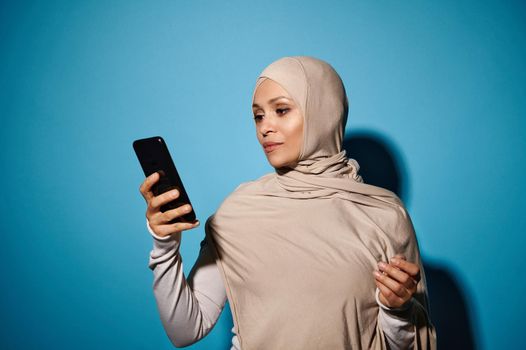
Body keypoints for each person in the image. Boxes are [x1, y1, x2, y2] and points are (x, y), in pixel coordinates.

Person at [140, 56, 436, 349]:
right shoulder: (239, 213)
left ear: (323, 111)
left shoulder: (384, 215)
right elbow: (185, 330)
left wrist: (396, 309)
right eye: (258, 116)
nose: (265, 127)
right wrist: (165, 243)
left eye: (281, 110)